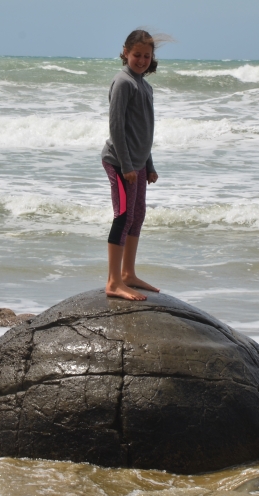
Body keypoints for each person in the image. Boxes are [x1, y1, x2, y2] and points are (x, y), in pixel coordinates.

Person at [102, 29, 162, 301]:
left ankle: (128, 273)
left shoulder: (145, 86)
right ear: (125, 52)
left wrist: (149, 164)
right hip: (119, 161)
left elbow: (144, 130)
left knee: (138, 215)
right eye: (137, 54)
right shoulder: (123, 82)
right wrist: (126, 165)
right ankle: (113, 281)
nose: (141, 60)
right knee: (124, 216)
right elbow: (116, 127)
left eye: (146, 56)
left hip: (137, 163)